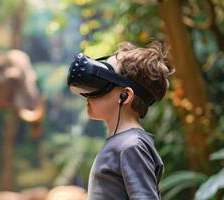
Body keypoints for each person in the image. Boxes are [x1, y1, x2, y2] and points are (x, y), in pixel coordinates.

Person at [67, 40, 175, 200]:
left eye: (101, 82)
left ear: (125, 96)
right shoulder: (122, 143)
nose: (88, 93)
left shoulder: (131, 146)